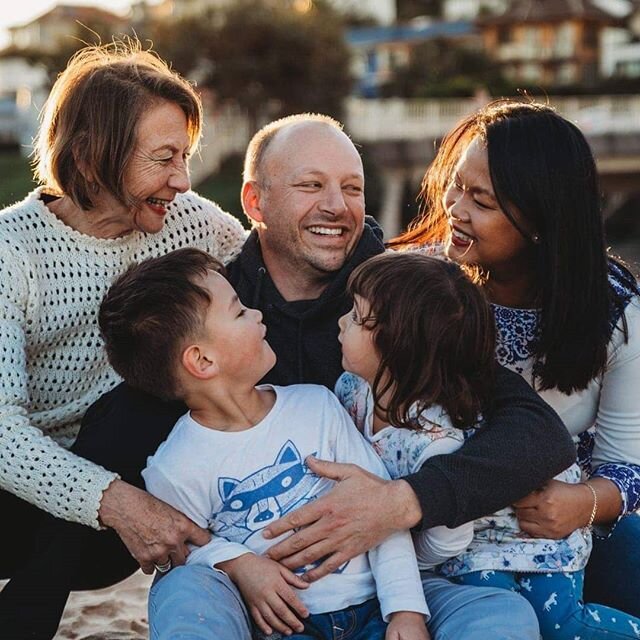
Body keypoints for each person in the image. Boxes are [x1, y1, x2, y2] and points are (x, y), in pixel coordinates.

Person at [73, 113, 574, 638]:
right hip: (266, 599)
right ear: (255, 203)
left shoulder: (396, 301)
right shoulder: (214, 312)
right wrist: (124, 504)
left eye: (352, 188)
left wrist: (402, 501)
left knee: (499, 614)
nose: (337, 205)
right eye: (311, 185)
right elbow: (121, 460)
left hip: (384, 581)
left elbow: (536, 433)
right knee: (183, 591)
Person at [0, 40, 247, 639]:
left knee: (139, 397)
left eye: (184, 156)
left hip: (123, 512)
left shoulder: (192, 222)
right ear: (90, 159)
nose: (183, 179)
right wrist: (117, 502)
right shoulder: (13, 251)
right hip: (23, 510)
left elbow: (272, 277)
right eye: (163, 159)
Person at [99, 247, 432, 640]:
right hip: (284, 628)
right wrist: (239, 563)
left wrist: (406, 611)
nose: (257, 314)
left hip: (375, 613)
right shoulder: (175, 468)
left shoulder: (318, 405)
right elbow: (189, 552)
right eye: (240, 311)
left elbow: (382, 511)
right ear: (203, 361)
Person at [390, 99, 640, 619]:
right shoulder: (422, 288)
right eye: (456, 185)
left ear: (541, 220)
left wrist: (583, 504)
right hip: (442, 530)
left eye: (481, 200)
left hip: (556, 538)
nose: (455, 209)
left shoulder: (615, 312)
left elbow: (628, 469)